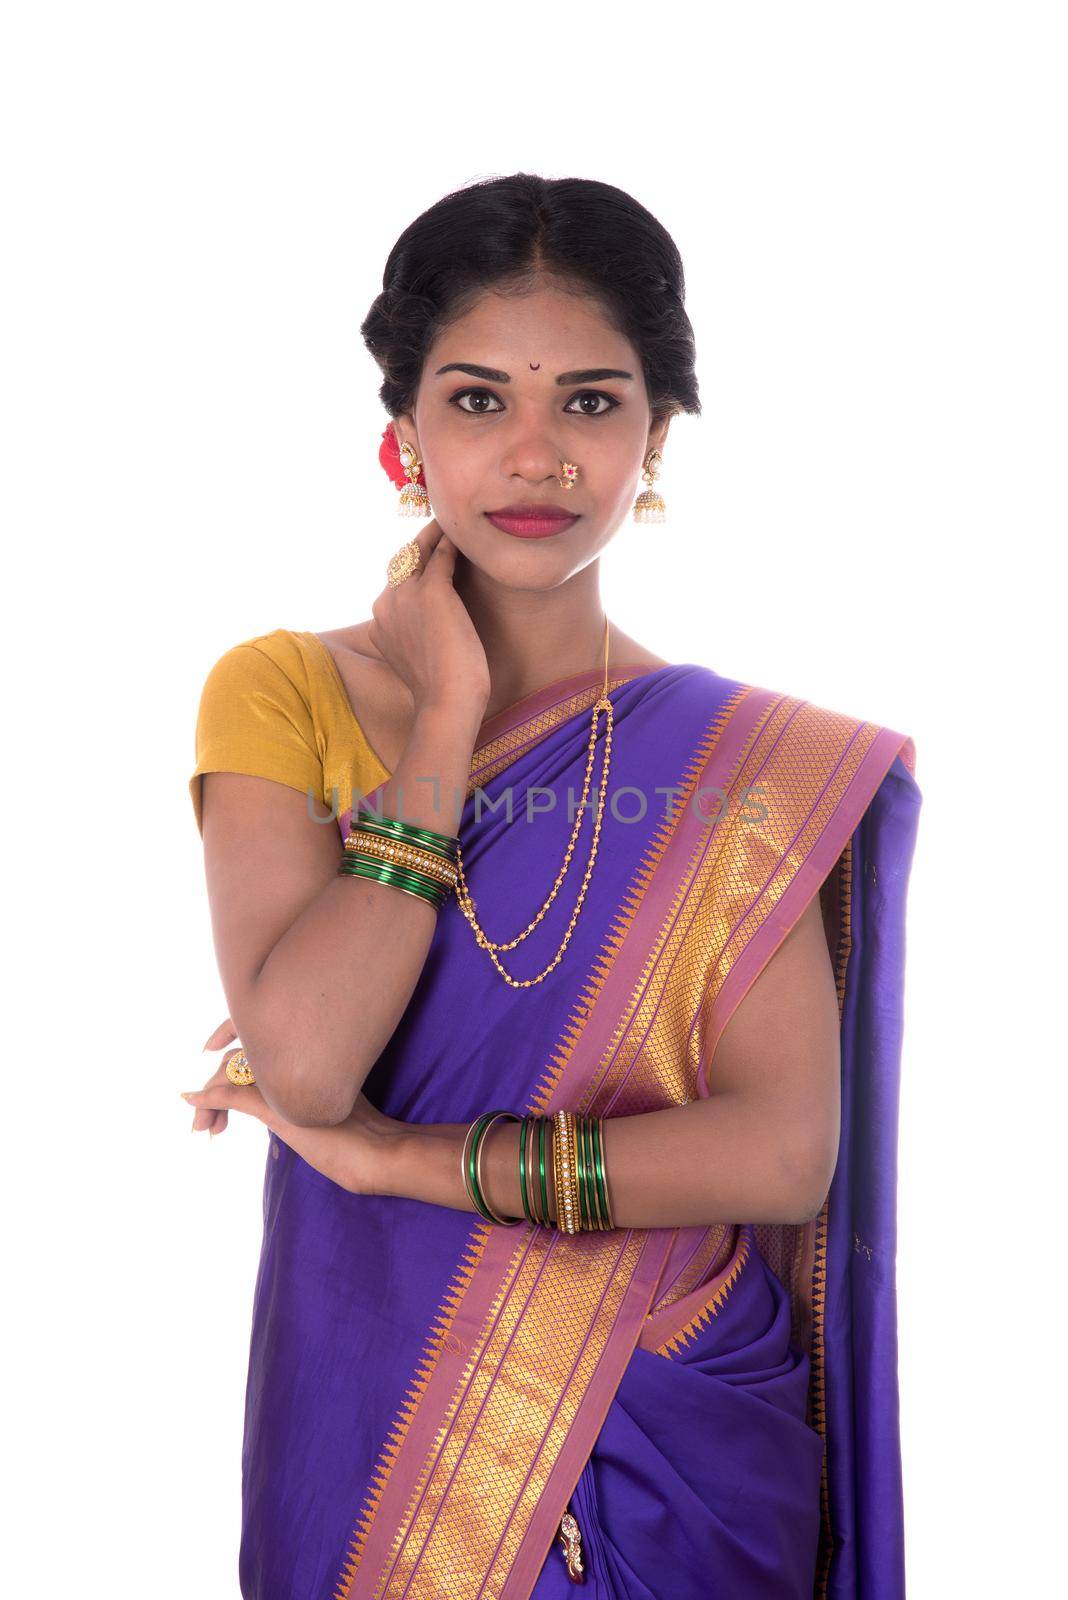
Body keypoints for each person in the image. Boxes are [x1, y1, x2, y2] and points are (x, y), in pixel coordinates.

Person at [183, 173, 921, 1600]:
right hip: (374, 1396)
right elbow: (312, 1068)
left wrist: (413, 1163)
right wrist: (446, 723)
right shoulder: (280, 689)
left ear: (656, 439)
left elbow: (779, 1154)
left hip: (669, 1422)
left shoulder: (742, 766)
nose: (535, 454)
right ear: (401, 435)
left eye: (589, 403)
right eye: (477, 402)